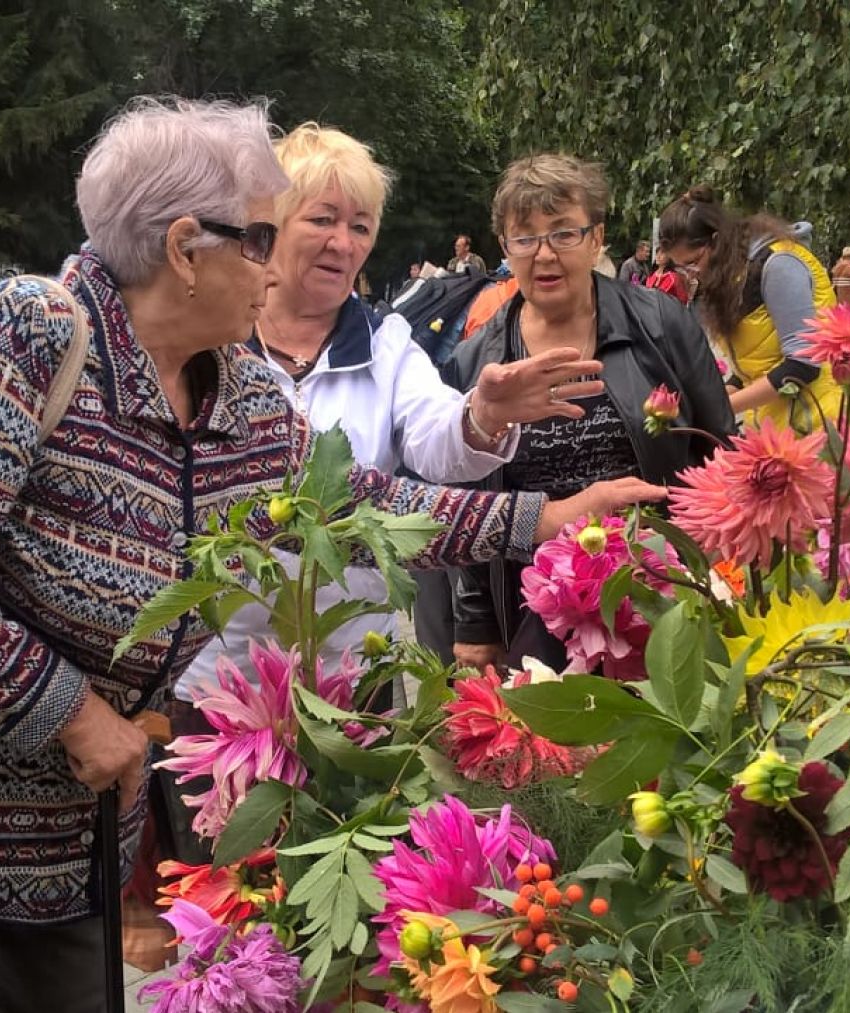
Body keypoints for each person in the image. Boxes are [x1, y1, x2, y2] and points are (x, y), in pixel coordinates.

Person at [0, 97, 664, 1013]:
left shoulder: (242, 393)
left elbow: (359, 500)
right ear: (186, 249)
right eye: (265, 236)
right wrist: (69, 712)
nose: (283, 263)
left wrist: (541, 520)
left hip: (61, 824)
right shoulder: (28, 334)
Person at [173, 122, 604, 701]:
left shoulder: (386, 341)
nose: (344, 243)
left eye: (361, 226)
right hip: (214, 679)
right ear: (272, 225)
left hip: (350, 674)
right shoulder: (209, 342)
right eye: (323, 220)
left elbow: (433, 440)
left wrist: (483, 414)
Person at [447, 154, 735, 673]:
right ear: (506, 249)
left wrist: (719, 567)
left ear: (596, 237)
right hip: (533, 609)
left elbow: (720, 450)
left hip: (658, 596)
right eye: (525, 237)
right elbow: (468, 498)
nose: (544, 255)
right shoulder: (479, 363)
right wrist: (474, 623)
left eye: (563, 233)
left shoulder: (661, 325)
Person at [658, 187, 840, 429]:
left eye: (694, 262)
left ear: (715, 240)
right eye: (683, 267)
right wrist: (705, 401)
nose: (694, 273)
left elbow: (803, 366)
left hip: (820, 426)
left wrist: (717, 407)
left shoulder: (778, 265)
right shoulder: (733, 275)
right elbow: (751, 369)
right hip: (779, 427)